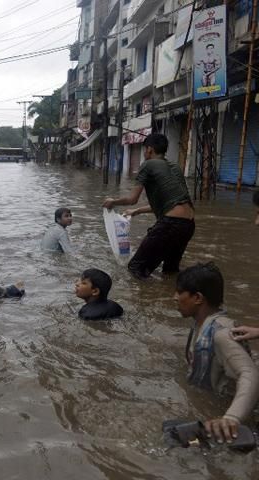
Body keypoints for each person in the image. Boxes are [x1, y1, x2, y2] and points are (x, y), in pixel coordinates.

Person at [175, 262, 259, 443]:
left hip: (239, 416)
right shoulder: (200, 322)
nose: (174, 297)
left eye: (179, 292)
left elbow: (250, 373)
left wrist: (231, 418)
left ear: (197, 298)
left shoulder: (221, 334)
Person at [102, 133, 195, 279]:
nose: (144, 153)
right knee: (170, 270)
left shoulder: (148, 165)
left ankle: (142, 300)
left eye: (145, 149)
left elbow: (132, 199)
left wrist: (113, 201)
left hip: (171, 225)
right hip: (188, 225)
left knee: (135, 268)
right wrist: (137, 211)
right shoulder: (175, 167)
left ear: (150, 150)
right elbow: (173, 204)